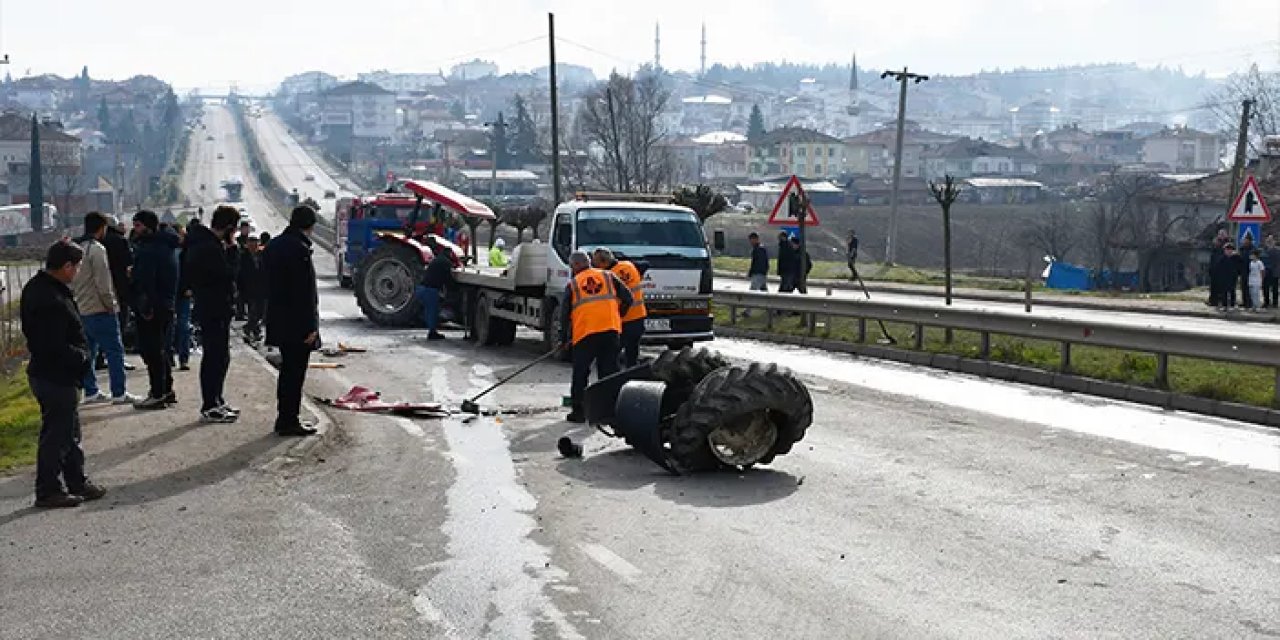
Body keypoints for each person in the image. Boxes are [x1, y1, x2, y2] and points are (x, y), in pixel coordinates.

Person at [21, 240, 106, 508]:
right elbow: (52, 344)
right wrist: (81, 357)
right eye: (77, 266)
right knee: (56, 436)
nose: (78, 271)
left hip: (56, 374)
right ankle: (48, 490)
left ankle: (76, 481)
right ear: (67, 266)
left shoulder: (45, 289)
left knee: (69, 433)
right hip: (55, 376)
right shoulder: (50, 298)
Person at [264, 206, 321, 437]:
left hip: (278, 319)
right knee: (295, 375)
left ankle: (284, 417)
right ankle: (289, 420)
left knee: (287, 372)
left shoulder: (274, 246)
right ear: (310, 226)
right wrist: (311, 327)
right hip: (298, 324)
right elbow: (305, 293)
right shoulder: (299, 250)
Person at [73, 212, 140, 405]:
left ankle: (91, 390)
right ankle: (119, 392)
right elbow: (103, 282)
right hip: (100, 308)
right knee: (114, 351)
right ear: (101, 228)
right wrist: (112, 305)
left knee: (89, 352)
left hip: (82, 307)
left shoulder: (77, 249)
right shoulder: (97, 250)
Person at [559, 250, 633, 423]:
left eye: (572, 266)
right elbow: (628, 298)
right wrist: (617, 315)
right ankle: (609, 412)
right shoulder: (608, 276)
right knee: (609, 373)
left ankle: (578, 412)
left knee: (580, 373)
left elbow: (564, 315)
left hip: (585, 334)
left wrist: (564, 339)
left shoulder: (573, 284)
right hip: (610, 331)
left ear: (576, 265)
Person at [185, 205, 241, 423]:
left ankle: (217, 399)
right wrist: (233, 250)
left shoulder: (208, 244)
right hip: (213, 308)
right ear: (228, 228)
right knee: (214, 357)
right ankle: (210, 404)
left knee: (221, 357)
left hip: (217, 307)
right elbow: (228, 275)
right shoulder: (208, 247)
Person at [130, 210, 180, 410]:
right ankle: (166, 390)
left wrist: (145, 305)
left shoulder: (150, 250)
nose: (135, 230)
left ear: (148, 226)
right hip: (165, 304)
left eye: (138, 225)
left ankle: (157, 393)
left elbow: (147, 281)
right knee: (162, 350)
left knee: (152, 351)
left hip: (151, 307)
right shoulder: (166, 245)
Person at [592, 247, 647, 368]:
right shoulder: (629, 265)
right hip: (638, 316)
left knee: (612, 354)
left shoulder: (610, 276)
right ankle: (631, 378)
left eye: (596, 264)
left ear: (604, 262)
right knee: (632, 354)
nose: (595, 268)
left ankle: (614, 381)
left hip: (623, 320)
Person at [101, 214, 134, 355]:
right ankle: (117, 354)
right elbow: (129, 263)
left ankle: (101, 356)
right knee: (120, 323)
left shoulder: (98, 242)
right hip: (120, 287)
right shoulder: (121, 241)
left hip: (101, 286)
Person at [416, 237, 454, 340]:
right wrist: (453, 291)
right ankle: (432, 333)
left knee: (429, 311)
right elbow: (449, 280)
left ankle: (432, 331)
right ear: (449, 254)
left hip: (421, 289)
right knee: (433, 311)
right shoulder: (445, 262)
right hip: (430, 290)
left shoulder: (436, 259)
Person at [169, 223, 194, 371]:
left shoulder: (187, 251)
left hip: (184, 293)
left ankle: (183, 358)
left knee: (184, 326)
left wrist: (190, 287)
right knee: (169, 327)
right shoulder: (167, 251)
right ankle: (169, 356)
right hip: (170, 294)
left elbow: (192, 270)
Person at [239, 234, 267, 342]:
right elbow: (240, 273)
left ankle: (252, 328)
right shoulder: (243, 256)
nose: (253, 246)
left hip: (261, 288)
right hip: (249, 288)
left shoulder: (262, 255)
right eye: (251, 243)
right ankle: (253, 330)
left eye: (255, 243)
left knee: (260, 312)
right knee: (253, 310)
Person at [1264, 236, 1280, 308]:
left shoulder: (1277, 251)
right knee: (1265, 288)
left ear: (1274, 242)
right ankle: (1266, 302)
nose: (1269, 243)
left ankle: (1275, 303)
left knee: (1275, 289)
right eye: (1268, 241)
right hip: (1265, 273)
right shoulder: (1263, 250)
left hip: (1274, 272)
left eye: (1271, 241)